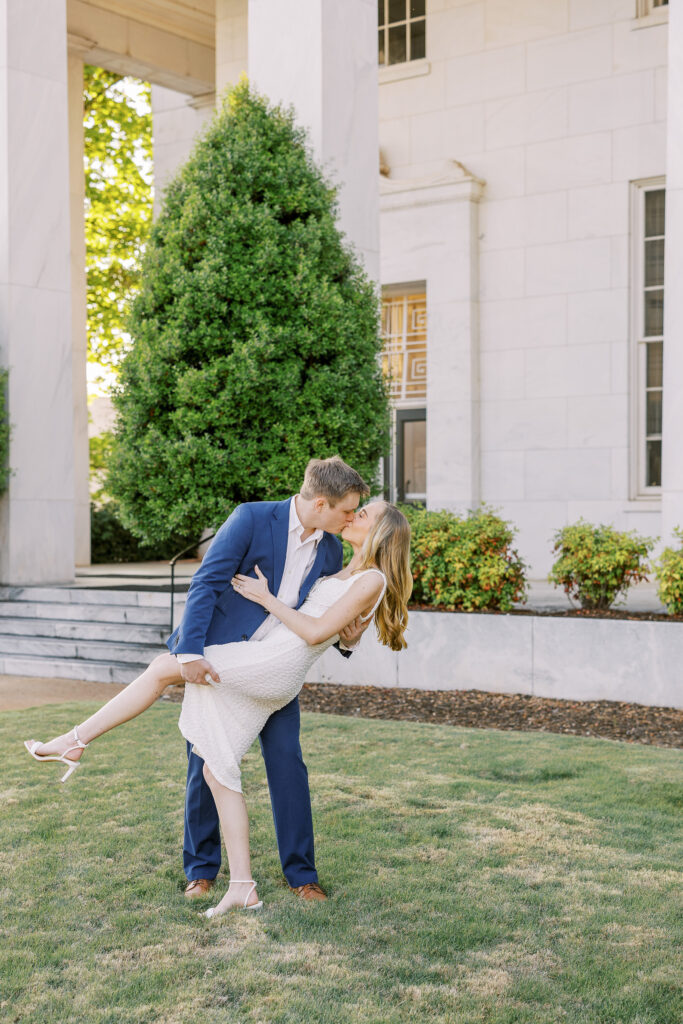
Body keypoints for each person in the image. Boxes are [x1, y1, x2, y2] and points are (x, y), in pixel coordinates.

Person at [24, 478, 412, 916]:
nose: (352, 516)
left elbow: (321, 627)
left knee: (277, 759)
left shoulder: (338, 555)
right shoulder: (267, 524)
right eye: (351, 510)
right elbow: (210, 581)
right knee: (210, 766)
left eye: (361, 514)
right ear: (322, 503)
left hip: (274, 667)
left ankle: (300, 876)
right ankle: (221, 878)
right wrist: (192, 649)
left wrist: (281, 606)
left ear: (379, 534)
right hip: (249, 651)